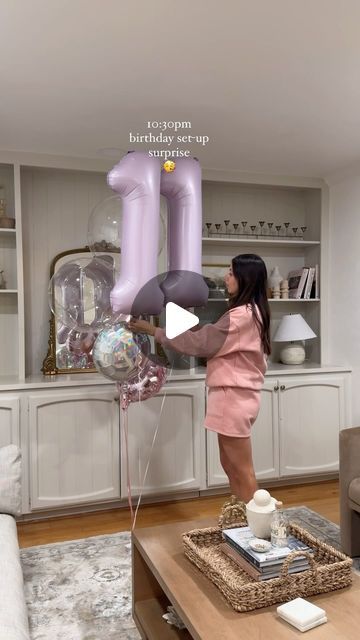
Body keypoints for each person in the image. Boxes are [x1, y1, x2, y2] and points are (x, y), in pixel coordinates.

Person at [128, 253, 271, 504]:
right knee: (229, 464)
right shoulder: (253, 312)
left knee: (241, 468)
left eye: (231, 272)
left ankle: (258, 526)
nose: (226, 276)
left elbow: (200, 343)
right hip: (234, 395)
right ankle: (241, 518)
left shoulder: (241, 315)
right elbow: (210, 340)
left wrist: (152, 330)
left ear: (245, 278)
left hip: (232, 396)